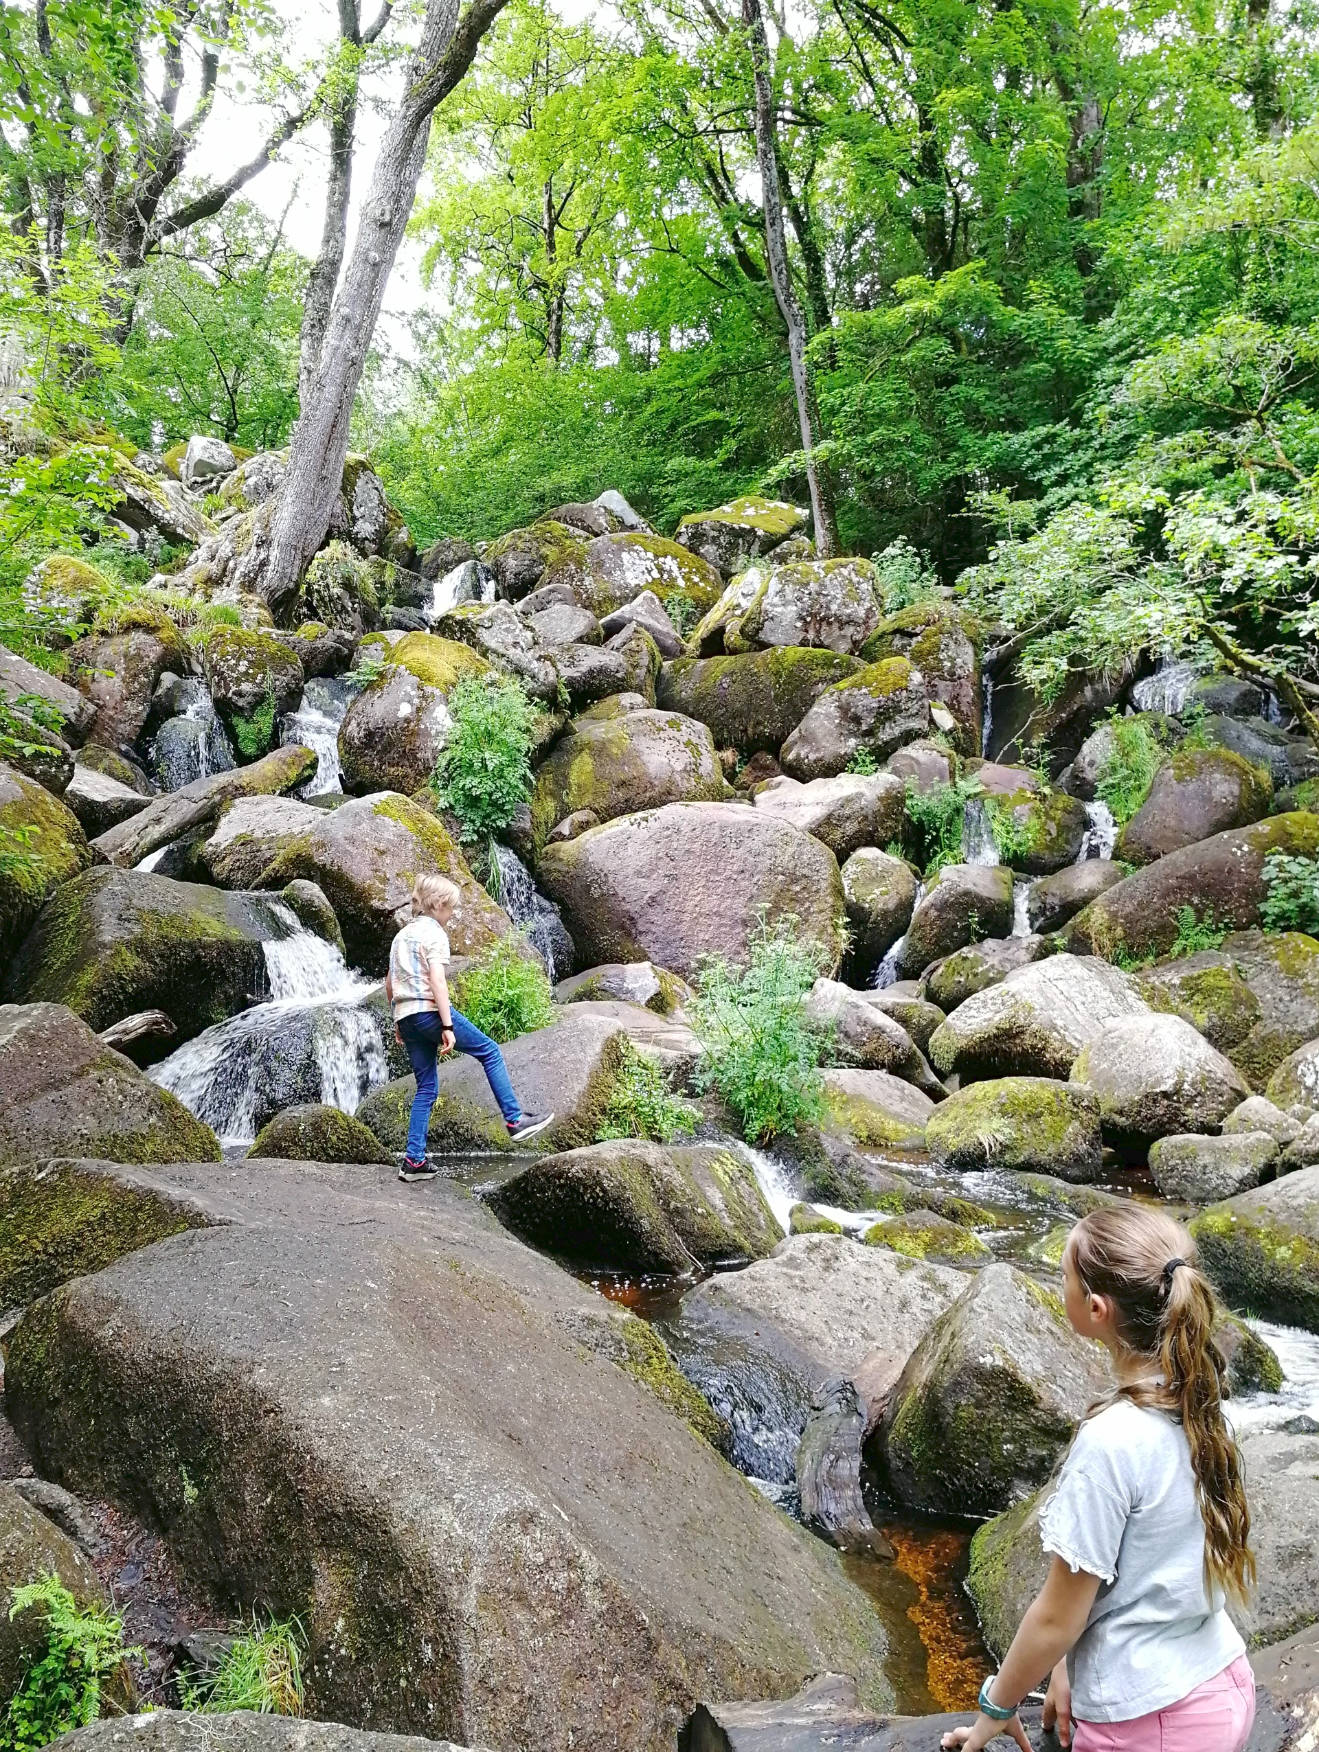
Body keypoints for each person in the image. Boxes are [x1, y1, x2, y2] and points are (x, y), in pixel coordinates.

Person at [942, 1205, 1255, 1752]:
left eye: (1062, 1274)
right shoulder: (1199, 1401)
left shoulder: (1111, 1441)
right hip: (1223, 1682)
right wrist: (1070, 1665)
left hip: (1150, 1724)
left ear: (1094, 1308)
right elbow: (1143, 1566)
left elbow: (1055, 1617)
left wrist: (998, 1706)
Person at [384, 873, 553, 1180]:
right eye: (451, 908)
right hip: (429, 1011)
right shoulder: (434, 933)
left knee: (426, 1088)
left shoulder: (401, 936)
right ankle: (515, 1119)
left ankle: (414, 1161)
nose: (452, 915)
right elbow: (437, 981)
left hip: (406, 1015)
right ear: (437, 905)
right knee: (489, 1050)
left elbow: (389, 981)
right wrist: (447, 1025)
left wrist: (398, 1020)